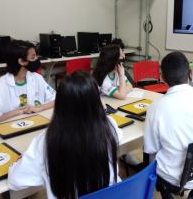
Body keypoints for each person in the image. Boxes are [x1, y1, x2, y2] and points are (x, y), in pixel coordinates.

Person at [8, 71, 123, 199]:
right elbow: (119, 137)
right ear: (96, 102)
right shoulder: (110, 126)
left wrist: (19, 161)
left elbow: (15, 180)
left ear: (60, 105)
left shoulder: (48, 140)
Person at [144, 52, 193, 199]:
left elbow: (151, 148)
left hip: (174, 178)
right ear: (191, 74)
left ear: (162, 78)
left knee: (154, 155)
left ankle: (167, 194)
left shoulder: (156, 108)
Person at [0, 40, 55, 126]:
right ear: (21, 61)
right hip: (13, 127)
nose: (37, 59)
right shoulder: (2, 84)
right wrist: (18, 112)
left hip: (37, 123)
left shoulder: (36, 77)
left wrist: (39, 108)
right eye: (33, 57)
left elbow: (59, 100)